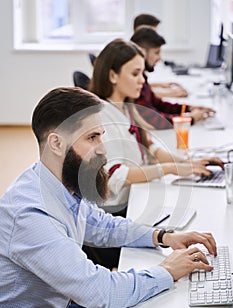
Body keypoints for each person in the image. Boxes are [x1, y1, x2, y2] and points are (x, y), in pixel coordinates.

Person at [0, 87, 217, 308]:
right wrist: (167, 270)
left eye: (101, 136)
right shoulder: (31, 215)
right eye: (92, 138)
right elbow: (101, 293)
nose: (103, 149)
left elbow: (101, 225)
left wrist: (162, 236)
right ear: (56, 143)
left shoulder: (60, 185)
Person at [89, 38, 224, 216]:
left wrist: (185, 163)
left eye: (143, 74)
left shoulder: (125, 107)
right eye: (135, 74)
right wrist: (170, 169)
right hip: (117, 210)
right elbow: (113, 175)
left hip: (135, 196)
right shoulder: (102, 118)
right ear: (113, 76)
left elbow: (149, 147)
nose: (142, 81)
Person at [130, 27, 216, 129]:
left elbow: (157, 104)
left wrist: (188, 108)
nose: (160, 58)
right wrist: (191, 119)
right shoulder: (134, 83)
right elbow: (155, 120)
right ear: (142, 52)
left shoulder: (142, 77)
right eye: (156, 53)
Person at [133, 13, 188, 98]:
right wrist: (171, 93)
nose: (154, 36)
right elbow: (139, 95)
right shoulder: (129, 64)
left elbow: (143, 88)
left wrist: (159, 85)